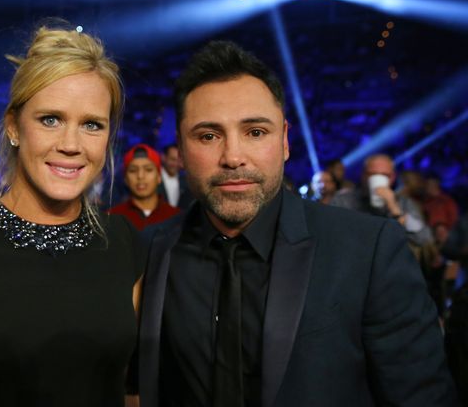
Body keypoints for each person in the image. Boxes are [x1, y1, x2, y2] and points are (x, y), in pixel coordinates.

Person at [137, 40, 458, 407]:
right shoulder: (150, 250)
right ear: (179, 149)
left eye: (255, 132)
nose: (233, 157)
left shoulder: (368, 251)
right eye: (208, 136)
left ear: (285, 141)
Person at [0, 26, 142, 406]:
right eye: (50, 119)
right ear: (15, 126)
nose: (70, 145)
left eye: (91, 125)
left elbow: (129, 390)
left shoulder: (125, 243)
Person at [109, 143, 180, 230]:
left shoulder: (176, 217)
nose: (140, 176)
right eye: (133, 170)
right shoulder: (112, 218)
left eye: (148, 169)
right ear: (125, 179)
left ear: (159, 176)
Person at [158, 143, 190, 208]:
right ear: (163, 157)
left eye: (179, 161)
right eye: (173, 159)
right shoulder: (154, 178)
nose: (176, 164)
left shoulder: (185, 180)